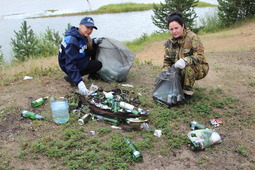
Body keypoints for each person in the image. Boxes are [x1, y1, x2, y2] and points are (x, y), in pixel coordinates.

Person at [162, 11, 209, 100]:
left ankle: (187, 94)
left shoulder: (192, 37)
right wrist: (165, 73)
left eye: (176, 28)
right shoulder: (169, 43)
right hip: (179, 69)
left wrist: (185, 60)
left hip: (199, 68)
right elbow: (167, 61)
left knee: (187, 68)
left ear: (182, 26)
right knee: (167, 74)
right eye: (171, 29)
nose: (174, 31)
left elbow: (200, 56)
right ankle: (177, 88)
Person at [58, 17, 104, 95]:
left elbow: (83, 45)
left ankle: (91, 75)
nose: (89, 31)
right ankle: (73, 77)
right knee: (97, 64)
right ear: (80, 26)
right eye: (87, 27)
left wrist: (94, 41)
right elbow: (70, 64)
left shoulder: (79, 34)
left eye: (91, 29)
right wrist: (80, 83)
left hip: (77, 59)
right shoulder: (72, 41)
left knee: (95, 45)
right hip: (68, 66)